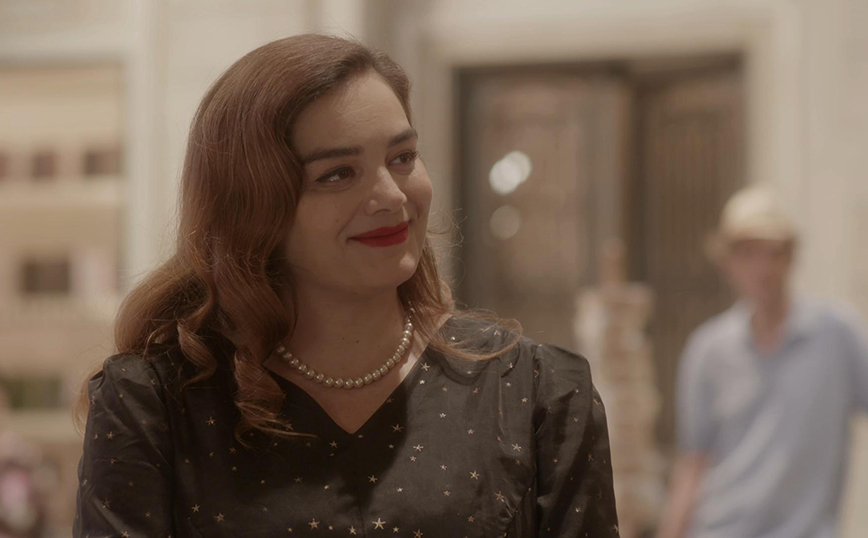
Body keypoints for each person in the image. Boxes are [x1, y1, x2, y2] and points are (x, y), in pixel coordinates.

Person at [72, 34, 619, 537]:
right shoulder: (155, 405)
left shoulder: (537, 393)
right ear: (252, 207)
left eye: (402, 158)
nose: (392, 196)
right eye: (337, 174)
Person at [657, 185, 868, 538]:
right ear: (727, 262)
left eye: (774, 252)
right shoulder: (708, 350)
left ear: (792, 257)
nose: (763, 268)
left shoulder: (837, 336)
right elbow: (693, 463)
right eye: (748, 253)